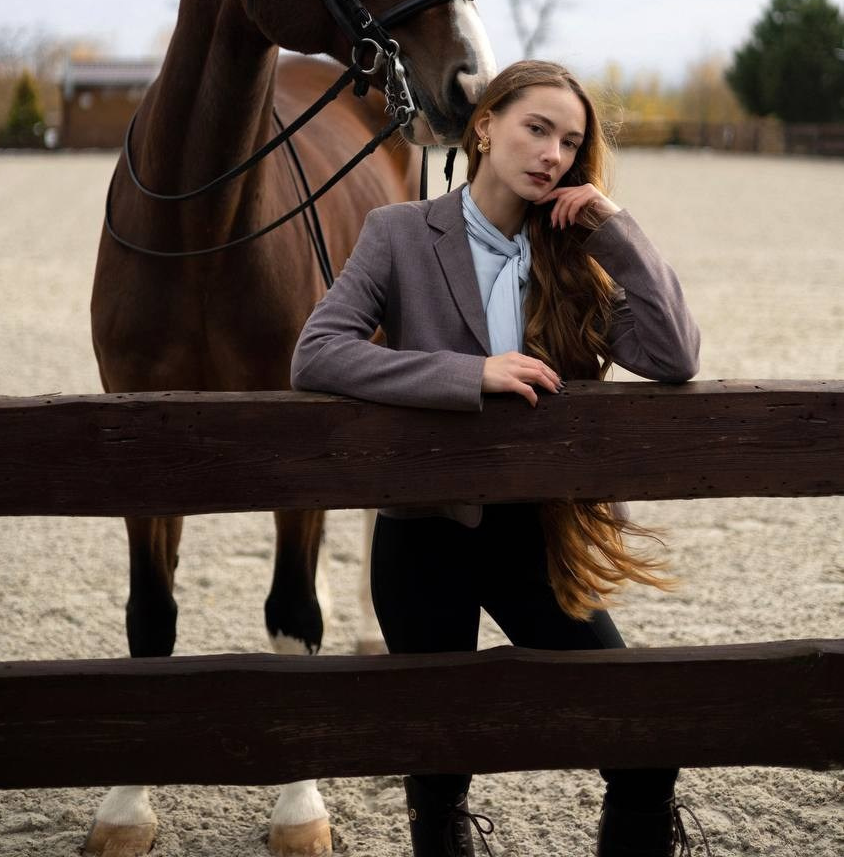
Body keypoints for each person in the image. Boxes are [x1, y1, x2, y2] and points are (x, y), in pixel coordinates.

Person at [291, 61, 704, 857]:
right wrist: (466, 374)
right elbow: (317, 354)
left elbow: (673, 353)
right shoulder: (400, 233)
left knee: (641, 742)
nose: (551, 153)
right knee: (438, 771)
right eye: (535, 128)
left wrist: (614, 230)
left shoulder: (571, 255)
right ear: (484, 126)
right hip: (424, 541)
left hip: (535, 538)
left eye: (570, 143)